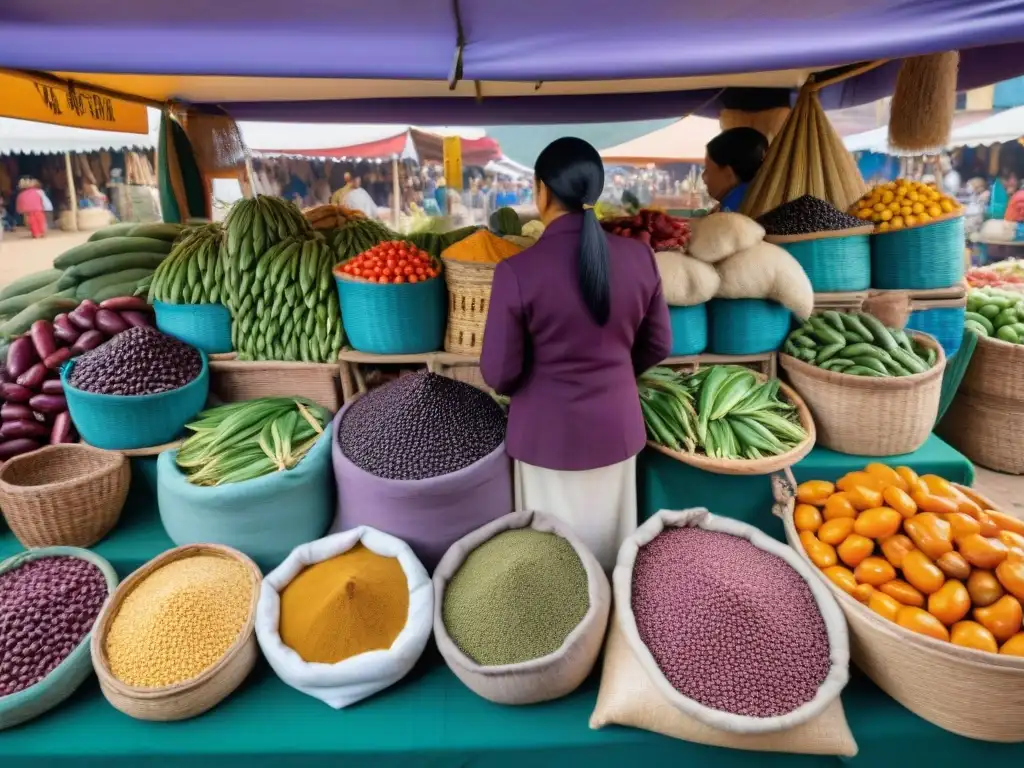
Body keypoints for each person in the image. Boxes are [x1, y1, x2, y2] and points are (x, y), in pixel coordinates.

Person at [480, 137, 672, 570]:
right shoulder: (640, 257)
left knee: (550, 569)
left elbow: (500, 372)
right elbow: (659, 343)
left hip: (545, 438)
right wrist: (617, 372)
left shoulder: (517, 271)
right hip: (616, 430)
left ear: (542, 190)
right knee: (610, 554)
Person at [702, 127, 768, 212]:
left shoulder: (731, 212)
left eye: (707, 170)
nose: (703, 177)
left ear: (729, 175)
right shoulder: (758, 196)